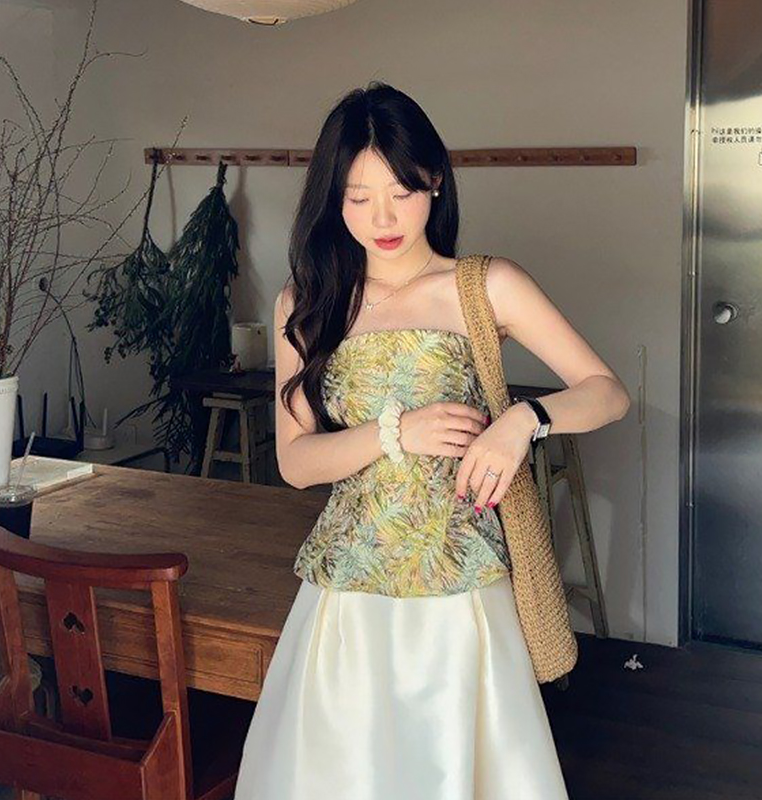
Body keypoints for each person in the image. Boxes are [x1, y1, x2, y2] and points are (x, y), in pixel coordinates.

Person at [233, 81, 630, 800]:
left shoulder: (485, 285)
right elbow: (296, 463)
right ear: (332, 199)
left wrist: (522, 421)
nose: (382, 218)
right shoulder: (306, 302)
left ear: (436, 181)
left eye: (402, 191)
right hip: (349, 590)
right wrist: (396, 432)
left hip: (460, 591)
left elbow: (606, 391)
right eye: (358, 197)